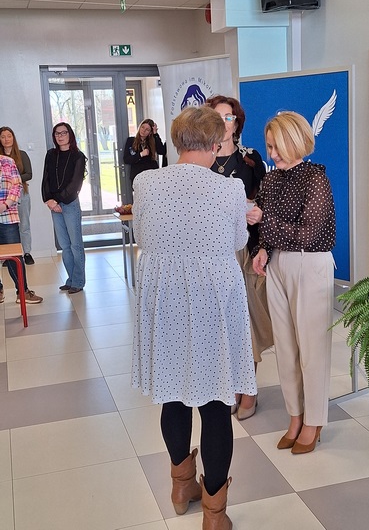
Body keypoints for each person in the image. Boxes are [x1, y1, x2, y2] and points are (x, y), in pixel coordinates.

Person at [131, 106, 256, 529]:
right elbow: (237, 240)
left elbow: (142, 235)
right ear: (217, 144)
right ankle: (214, 515)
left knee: (174, 394)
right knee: (216, 403)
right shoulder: (229, 188)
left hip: (165, 297)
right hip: (212, 301)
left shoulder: (146, 182)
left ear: (177, 139)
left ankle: (181, 486)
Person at [252, 111, 336, 455]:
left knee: (312, 348)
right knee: (285, 348)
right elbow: (266, 227)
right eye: (269, 147)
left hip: (310, 263)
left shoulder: (316, 179)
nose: (272, 154)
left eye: (277, 147)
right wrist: (262, 249)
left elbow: (309, 233)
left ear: (296, 141)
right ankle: (295, 416)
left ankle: (314, 420)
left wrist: (264, 222)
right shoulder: (271, 180)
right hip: (278, 264)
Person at [206, 95, 273, 421]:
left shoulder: (251, 159)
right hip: (210, 251)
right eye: (217, 117)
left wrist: (256, 212)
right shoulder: (200, 159)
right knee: (221, 325)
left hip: (245, 249)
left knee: (248, 322)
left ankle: (249, 389)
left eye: (229, 117)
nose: (223, 123)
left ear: (237, 122)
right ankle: (232, 385)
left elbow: (266, 200)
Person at [41, 122, 87, 295]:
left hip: (70, 203)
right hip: (54, 205)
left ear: (70, 135)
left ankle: (79, 281)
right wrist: (49, 200)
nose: (60, 136)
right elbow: (46, 179)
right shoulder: (51, 154)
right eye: (57, 133)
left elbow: (75, 184)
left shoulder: (78, 156)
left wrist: (57, 200)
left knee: (76, 245)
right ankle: (71, 279)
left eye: (64, 133)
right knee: (64, 246)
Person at [0, 154, 43, 304]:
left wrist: (5, 204)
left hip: (7, 217)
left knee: (15, 258)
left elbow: (17, 185)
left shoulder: (7, 162)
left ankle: (23, 292)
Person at [0, 126, 35, 265]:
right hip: (4, 199)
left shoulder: (22, 154)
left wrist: (13, 179)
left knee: (24, 225)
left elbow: (29, 174)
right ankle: (8, 256)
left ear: (13, 138)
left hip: (21, 195)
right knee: (6, 227)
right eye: (3, 137)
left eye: (9, 136)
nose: (6, 139)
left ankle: (26, 253)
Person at [123, 118, 166, 184]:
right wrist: (140, 154)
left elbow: (162, 151)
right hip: (137, 175)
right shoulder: (131, 141)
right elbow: (126, 159)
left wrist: (155, 134)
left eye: (147, 130)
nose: (144, 130)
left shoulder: (152, 142)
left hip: (151, 174)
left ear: (150, 132)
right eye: (142, 127)